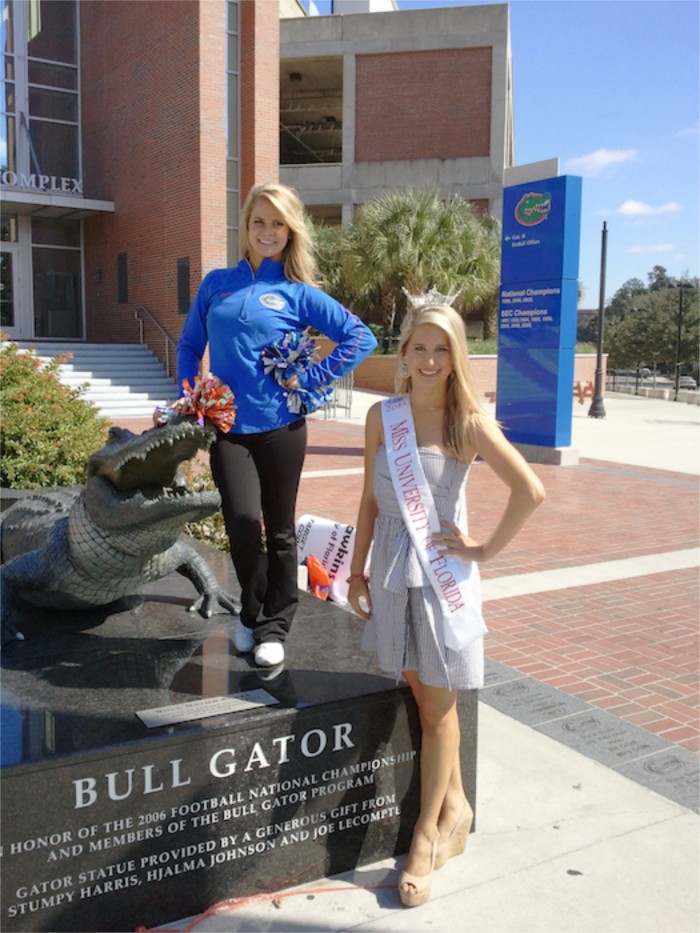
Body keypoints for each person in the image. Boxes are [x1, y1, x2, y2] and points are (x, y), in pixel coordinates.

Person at [347, 301, 545, 907]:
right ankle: (456, 804)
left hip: (438, 583)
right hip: (388, 575)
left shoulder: (468, 422)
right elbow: (368, 501)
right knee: (420, 688)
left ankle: (428, 838)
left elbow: (530, 491)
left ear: (456, 357)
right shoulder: (383, 416)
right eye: (419, 348)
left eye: (442, 349)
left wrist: (482, 550)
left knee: (437, 710)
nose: (429, 360)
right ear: (402, 353)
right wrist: (355, 570)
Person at [177, 182, 376, 668]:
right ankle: (251, 610)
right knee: (243, 527)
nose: (267, 231)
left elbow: (359, 336)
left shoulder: (297, 293)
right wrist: (192, 394)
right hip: (228, 430)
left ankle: (274, 625)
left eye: (278, 224)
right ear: (245, 227)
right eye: (258, 221)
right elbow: (188, 345)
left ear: (290, 233)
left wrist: (310, 378)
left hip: (282, 429)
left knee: (281, 532)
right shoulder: (216, 284)